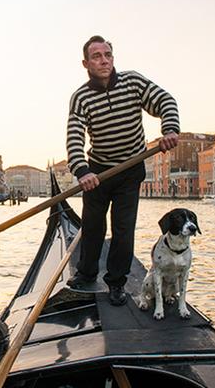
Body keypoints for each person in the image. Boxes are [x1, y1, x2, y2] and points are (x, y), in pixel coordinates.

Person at [66, 35, 180, 306]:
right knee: (93, 226)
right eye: (97, 56)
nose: (104, 60)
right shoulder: (80, 97)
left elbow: (166, 101)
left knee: (123, 228)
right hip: (98, 172)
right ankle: (86, 274)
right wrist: (82, 171)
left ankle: (116, 283)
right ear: (86, 63)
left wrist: (169, 130)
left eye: (107, 55)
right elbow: (74, 137)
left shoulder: (133, 82)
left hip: (130, 170)